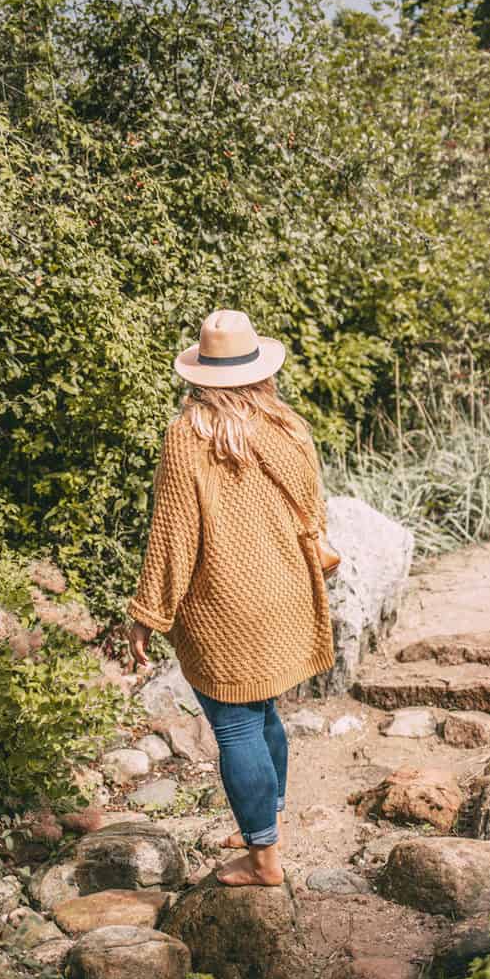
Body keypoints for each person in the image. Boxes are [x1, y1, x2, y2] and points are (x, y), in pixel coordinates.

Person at [125, 309, 335, 888]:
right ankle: (264, 822)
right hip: (286, 590)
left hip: (225, 605)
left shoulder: (186, 436)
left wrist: (146, 614)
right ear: (260, 370)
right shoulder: (288, 425)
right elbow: (314, 508)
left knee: (236, 727)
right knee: (264, 710)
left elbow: (172, 533)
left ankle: (263, 858)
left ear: (200, 374)